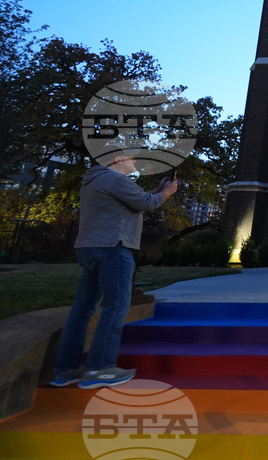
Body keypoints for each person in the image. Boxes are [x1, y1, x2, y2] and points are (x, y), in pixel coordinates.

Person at [49, 153, 179, 389]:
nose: (135, 162)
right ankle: (100, 369)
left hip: (90, 248)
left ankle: (66, 369)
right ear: (118, 159)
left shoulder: (95, 179)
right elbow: (146, 204)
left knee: (81, 311)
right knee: (116, 307)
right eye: (131, 158)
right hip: (113, 248)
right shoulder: (115, 179)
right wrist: (167, 193)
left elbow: (136, 200)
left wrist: (157, 190)